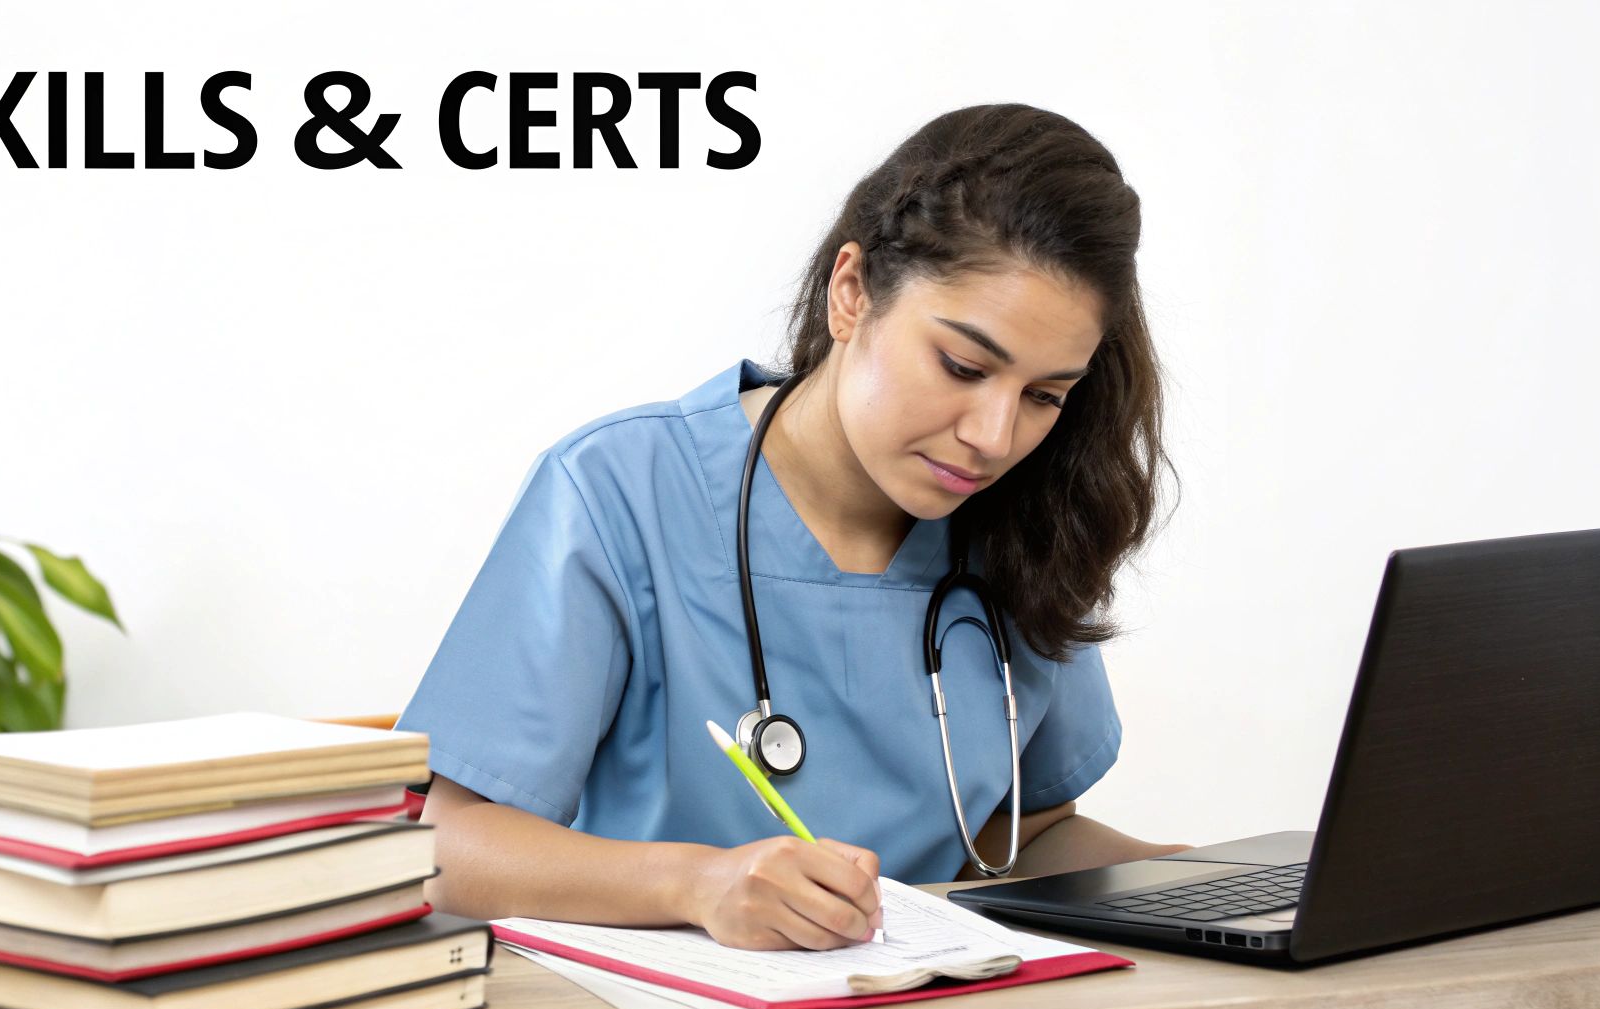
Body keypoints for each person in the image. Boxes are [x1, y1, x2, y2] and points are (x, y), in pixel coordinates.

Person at [397, 102, 1192, 952]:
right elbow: (443, 846)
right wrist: (698, 884)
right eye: (963, 366)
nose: (994, 438)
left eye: (1045, 396)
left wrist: (1187, 882)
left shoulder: (1027, 521)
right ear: (851, 294)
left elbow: (1025, 838)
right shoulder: (618, 492)